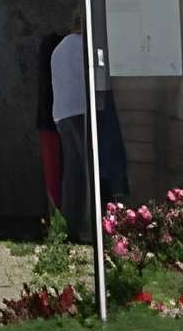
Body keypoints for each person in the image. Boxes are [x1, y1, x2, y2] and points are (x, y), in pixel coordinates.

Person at [49, 28, 129, 226]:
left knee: (73, 169)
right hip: (82, 109)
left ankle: (71, 222)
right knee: (92, 167)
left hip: (62, 113)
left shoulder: (60, 47)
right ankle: (92, 223)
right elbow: (101, 77)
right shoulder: (85, 45)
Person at [33, 31, 65, 214]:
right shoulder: (55, 49)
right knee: (59, 169)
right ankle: (57, 214)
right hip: (54, 118)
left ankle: (55, 215)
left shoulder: (50, 50)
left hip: (48, 119)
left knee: (52, 170)